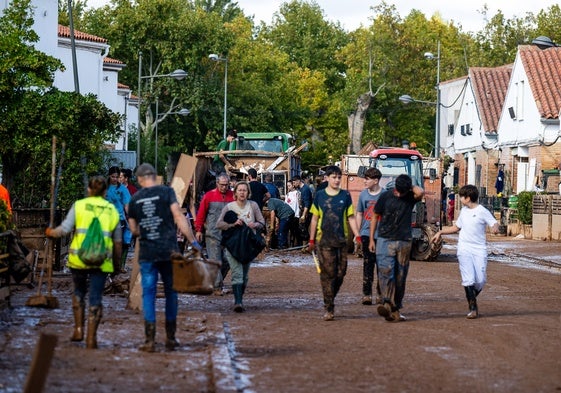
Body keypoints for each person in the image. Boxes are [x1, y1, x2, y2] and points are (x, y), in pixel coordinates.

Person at [127, 163, 202, 352]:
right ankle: (171, 337)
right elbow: (179, 217)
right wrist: (193, 242)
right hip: (169, 250)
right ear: (154, 176)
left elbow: (134, 230)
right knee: (171, 292)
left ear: (140, 179)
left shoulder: (134, 200)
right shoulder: (167, 192)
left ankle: (149, 340)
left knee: (149, 294)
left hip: (147, 253)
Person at [45, 176, 122, 349]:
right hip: (102, 262)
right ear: (105, 192)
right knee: (95, 297)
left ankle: (78, 329)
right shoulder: (111, 210)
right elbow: (117, 243)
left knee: (79, 291)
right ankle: (91, 338)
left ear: (89, 190)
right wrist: (117, 267)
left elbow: (64, 229)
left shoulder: (78, 206)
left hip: (78, 260)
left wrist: (51, 232)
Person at [432, 184, 499, 319]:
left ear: (468, 198)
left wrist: (495, 228)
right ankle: (473, 308)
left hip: (479, 249)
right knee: (468, 278)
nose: (460, 199)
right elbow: (457, 227)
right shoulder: (463, 211)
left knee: (480, 279)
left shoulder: (482, 211)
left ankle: (471, 296)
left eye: (462, 197)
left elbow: (494, 223)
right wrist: (440, 232)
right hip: (464, 248)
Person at [368, 174, 424, 322]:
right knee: (386, 272)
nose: (399, 194)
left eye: (402, 192)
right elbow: (374, 216)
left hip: (404, 241)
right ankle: (386, 302)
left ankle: (395, 307)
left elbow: (421, 193)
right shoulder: (385, 196)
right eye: (398, 191)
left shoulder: (410, 197)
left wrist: (409, 186)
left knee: (400, 277)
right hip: (384, 240)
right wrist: (372, 239)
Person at [308, 165, 360, 321]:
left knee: (340, 273)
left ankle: (331, 297)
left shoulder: (346, 195)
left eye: (339, 177)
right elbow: (314, 219)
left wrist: (357, 235)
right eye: (334, 177)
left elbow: (350, 217)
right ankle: (329, 306)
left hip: (341, 240)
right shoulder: (320, 196)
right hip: (323, 240)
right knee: (327, 274)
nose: (337, 180)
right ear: (327, 178)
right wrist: (311, 239)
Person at [216, 181, 265, 312]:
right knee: (237, 273)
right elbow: (219, 224)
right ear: (235, 193)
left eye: (245, 190)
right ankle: (238, 302)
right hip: (233, 244)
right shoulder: (229, 207)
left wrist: (254, 225)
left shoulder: (253, 205)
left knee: (245, 275)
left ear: (248, 193)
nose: (242, 192)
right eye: (240, 190)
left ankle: (239, 296)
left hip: (248, 245)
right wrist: (233, 224)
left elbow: (261, 222)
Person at [194, 173, 234, 295]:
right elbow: (201, 214)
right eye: (222, 185)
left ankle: (213, 280)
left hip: (229, 234)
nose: (224, 187)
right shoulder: (208, 196)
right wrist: (199, 230)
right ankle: (217, 287)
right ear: (217, 183)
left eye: (227, 185)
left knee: (229, 259)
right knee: (215, 260)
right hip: (213, 233)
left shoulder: (233, 196)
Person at [356, 168, 383, 306]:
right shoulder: (363, 195)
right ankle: (367, 294)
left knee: (382, 265)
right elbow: (360, 213)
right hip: (366, 233)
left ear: (376, 180)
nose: (365, 181)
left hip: (382, 235)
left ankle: (380, 294)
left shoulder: (384, 195)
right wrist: (358, 234)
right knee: (368, 263)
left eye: (367, 179)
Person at [106, 166, 131, 272]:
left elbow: (127, 205)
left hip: (118, 219)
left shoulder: (122, 190)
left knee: (117, 244)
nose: (115, 179)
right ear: (109, 176)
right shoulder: (104, 188)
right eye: (113, 177)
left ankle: (117, 267)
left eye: (117, 177)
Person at [285, 180, 302, 246]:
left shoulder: (297, 193)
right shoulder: (288, 194)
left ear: (293, 185)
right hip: (289, 214)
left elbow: (299, 204)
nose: (288, 187)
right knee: (291, 230)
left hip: (296, 214)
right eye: (287, 186)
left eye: (289, 186)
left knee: (296, 229)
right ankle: (291, 243)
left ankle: (298, 243)